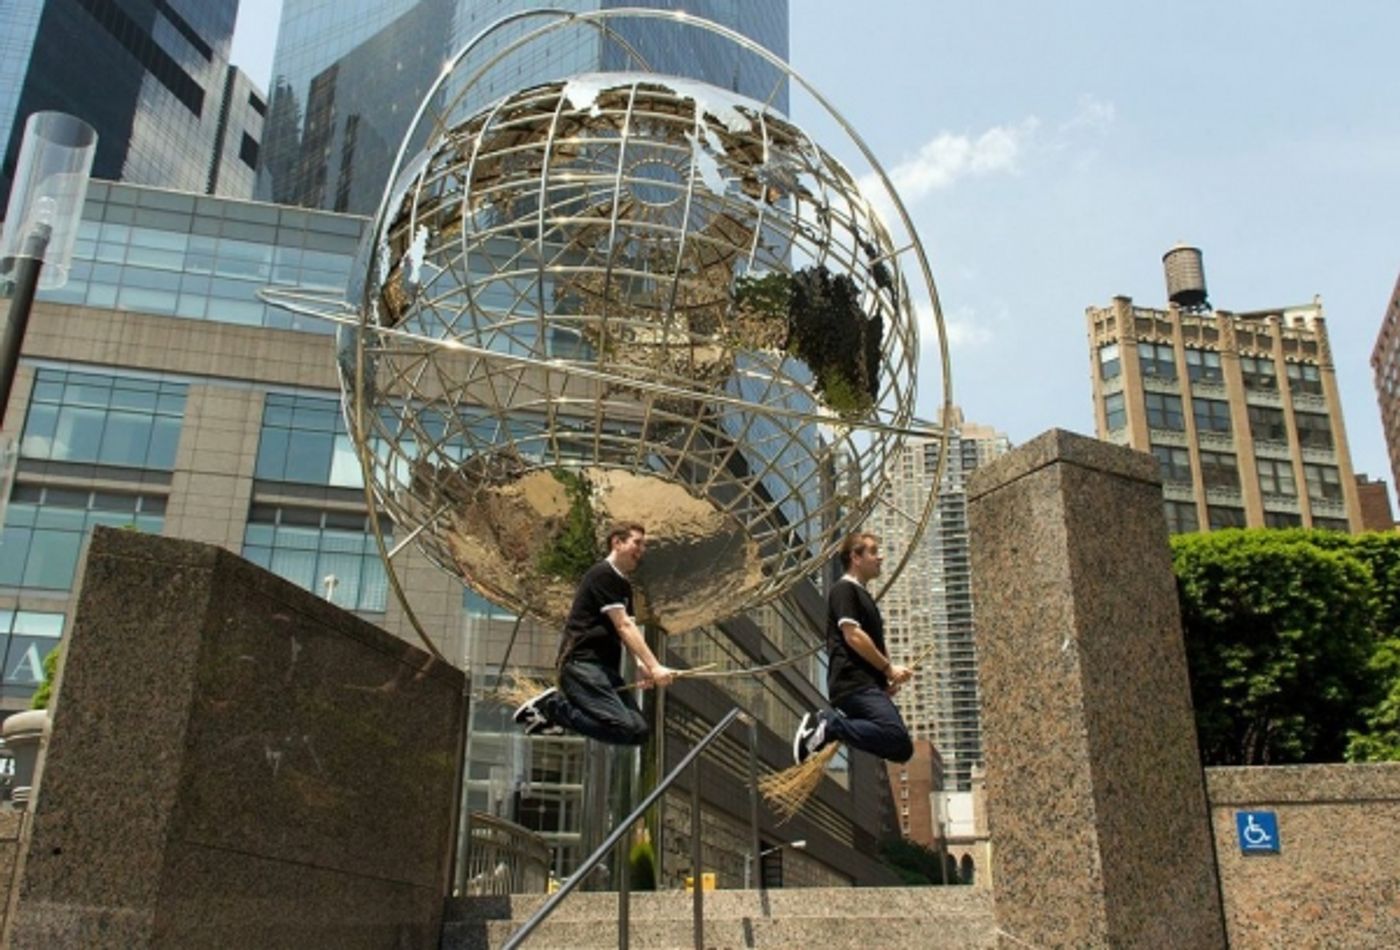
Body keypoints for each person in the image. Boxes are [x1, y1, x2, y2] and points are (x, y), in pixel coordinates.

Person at [513, 522, 677, 744]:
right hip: (582, 665)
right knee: (625, 727)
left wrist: (642, 667)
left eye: (644, 545)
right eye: (637, 543)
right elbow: (623, 626)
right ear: (617, 542)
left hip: (605, 670)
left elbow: (628, 630)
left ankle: (553, 715)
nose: (642, 550)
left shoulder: (623, 586)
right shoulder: (602, 574)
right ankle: (552, 707)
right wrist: (655, 666)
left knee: (639, 732)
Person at [792, 531, 914, 765]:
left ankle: (829, 729)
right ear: (855, 558)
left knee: (901, 749)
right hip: (854, 684)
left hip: (865, 685)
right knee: (897, 738)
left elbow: (871, 641)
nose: (880, 557)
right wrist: (888, 669)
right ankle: (830, 726)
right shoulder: (844, 590)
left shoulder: (863, 595)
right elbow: (853, 636)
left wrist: (883, 682)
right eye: (873, 552)